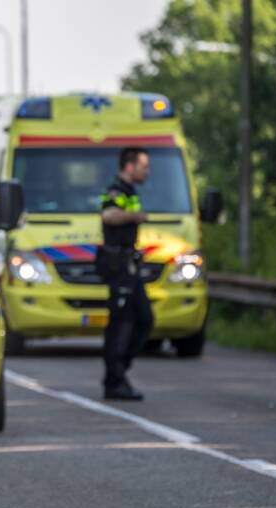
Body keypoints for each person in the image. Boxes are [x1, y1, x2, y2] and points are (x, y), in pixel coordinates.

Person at [98, 147, 154, 401]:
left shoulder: (131, 191)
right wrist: (135, 216)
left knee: (144, 319)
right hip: (118, 266)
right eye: (144, 166)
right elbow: (108, 215)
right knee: (120, 325)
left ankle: (120, 371)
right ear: (130, 166)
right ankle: (115, 380)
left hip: (130, 266)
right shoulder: (116, 189)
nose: (147, 171)